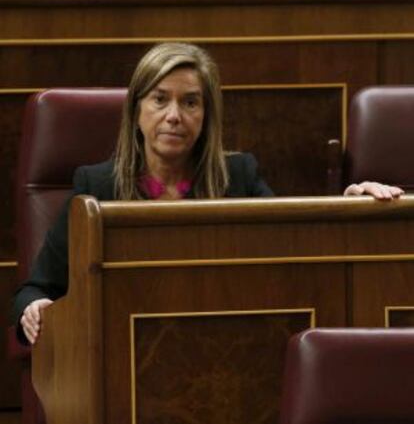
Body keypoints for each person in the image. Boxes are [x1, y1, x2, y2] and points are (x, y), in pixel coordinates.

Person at [13, 42, 404, 345]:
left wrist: (350, 204)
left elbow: (298, 252)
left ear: (206, 116)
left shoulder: (239, 177)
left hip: (226, 348)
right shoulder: (96, 188)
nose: (173, 115)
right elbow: (36, 288)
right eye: (159, 98)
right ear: (136, 111)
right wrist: (33, 309)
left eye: (190, 102)